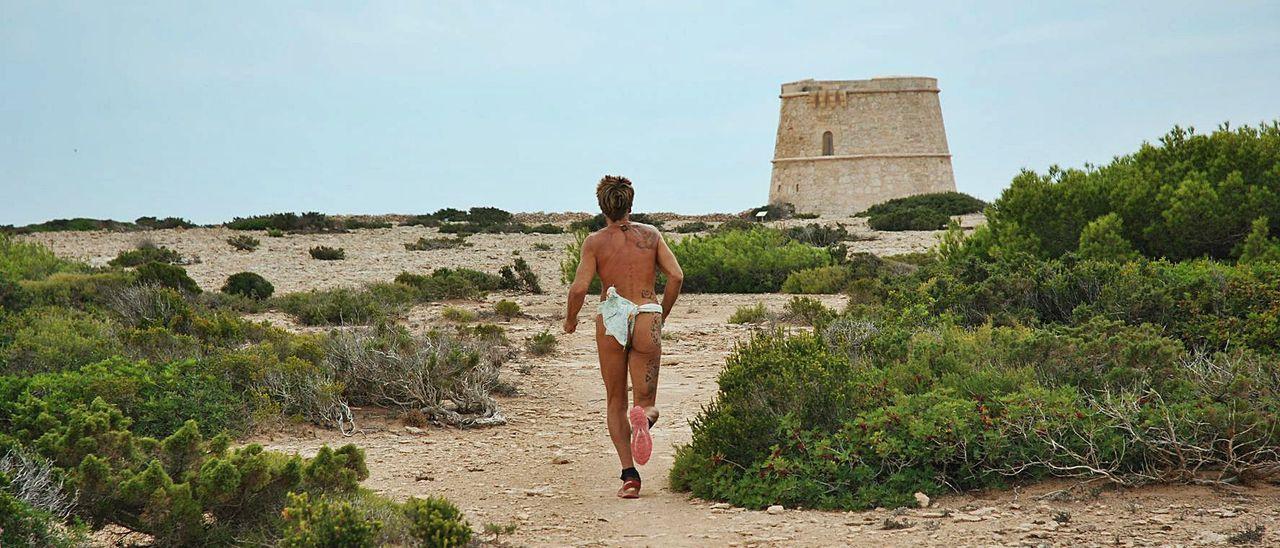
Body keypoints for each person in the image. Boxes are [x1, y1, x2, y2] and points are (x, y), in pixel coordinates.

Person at [563, 175, 684, 499]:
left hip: (612, 315)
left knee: (615, 400)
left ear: (602, 206)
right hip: (646, 312)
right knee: (645, 403)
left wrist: (570, 320)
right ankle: (644, 420)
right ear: (630, 203)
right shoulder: (651, 235)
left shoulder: (594, 242)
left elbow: (579, 288)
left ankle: (630, 477)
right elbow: (676, 275)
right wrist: (661, 314)